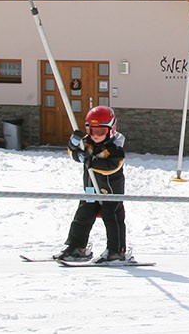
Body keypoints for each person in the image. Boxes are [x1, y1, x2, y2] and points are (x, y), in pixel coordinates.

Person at [52, 105, 131, 263]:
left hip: (110, 191)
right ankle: (77, 247)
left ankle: (116, 251)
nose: (95, 135)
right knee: (82, 216)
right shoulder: (87, 142)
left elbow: (111, 167)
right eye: (92, 131)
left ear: (111, 129)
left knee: (112, 217)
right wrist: (73, 146)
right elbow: (74, 154)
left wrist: (90, 160)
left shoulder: (115, 148)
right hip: (90, 189)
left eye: (100, 132)